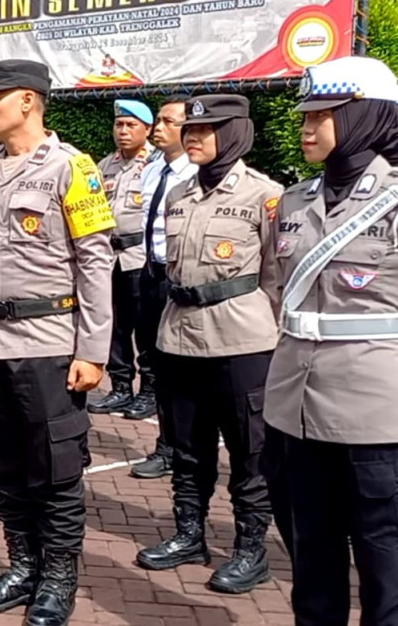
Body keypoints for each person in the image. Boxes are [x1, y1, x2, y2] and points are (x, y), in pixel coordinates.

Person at [0, 60, 114, 626]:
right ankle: (23, 565)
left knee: (56, 466)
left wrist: (93, 350)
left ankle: (57, 578)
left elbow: (96, 261)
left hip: (49, 342)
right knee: (4, 463)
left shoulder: (72, 168)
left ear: (28, 101)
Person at [262, 56, 398, 625]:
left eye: (326, 113)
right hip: (294, 412)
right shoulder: (294, 201)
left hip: (376, 417)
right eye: (305, 113)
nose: (307, 125)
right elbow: (276, 290)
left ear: (367, 115)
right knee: (312, 572)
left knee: (386, 578)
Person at [133, 94, 281, 595]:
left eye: (207, 129)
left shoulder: (266, 196)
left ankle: (250, 548)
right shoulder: (179, 195)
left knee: (249, 452)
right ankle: (189, 534)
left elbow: (278, 280)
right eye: (190, 129)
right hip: (179, 336)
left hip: (241, 340)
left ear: (235, 132)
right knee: (187, 448)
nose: (193, 137)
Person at [131, 97, 195, 480]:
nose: (158, 127)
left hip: (180, 278)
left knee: (180, 370)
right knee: (156, 362)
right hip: (151, 273)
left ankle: (179, 448)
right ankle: (167, 445)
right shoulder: (154, 171)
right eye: (157, 120)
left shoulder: (195, 175)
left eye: (168, 121)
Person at [89, 100, 158, 420]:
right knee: (115, 325)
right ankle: (120, 387)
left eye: (131, 125)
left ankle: (149, 391)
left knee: (146, 327)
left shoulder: (156, 165)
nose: (124, 131)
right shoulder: (105, 166)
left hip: (140, 256)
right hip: (109, 256)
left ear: (147, 129)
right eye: (119, 125)